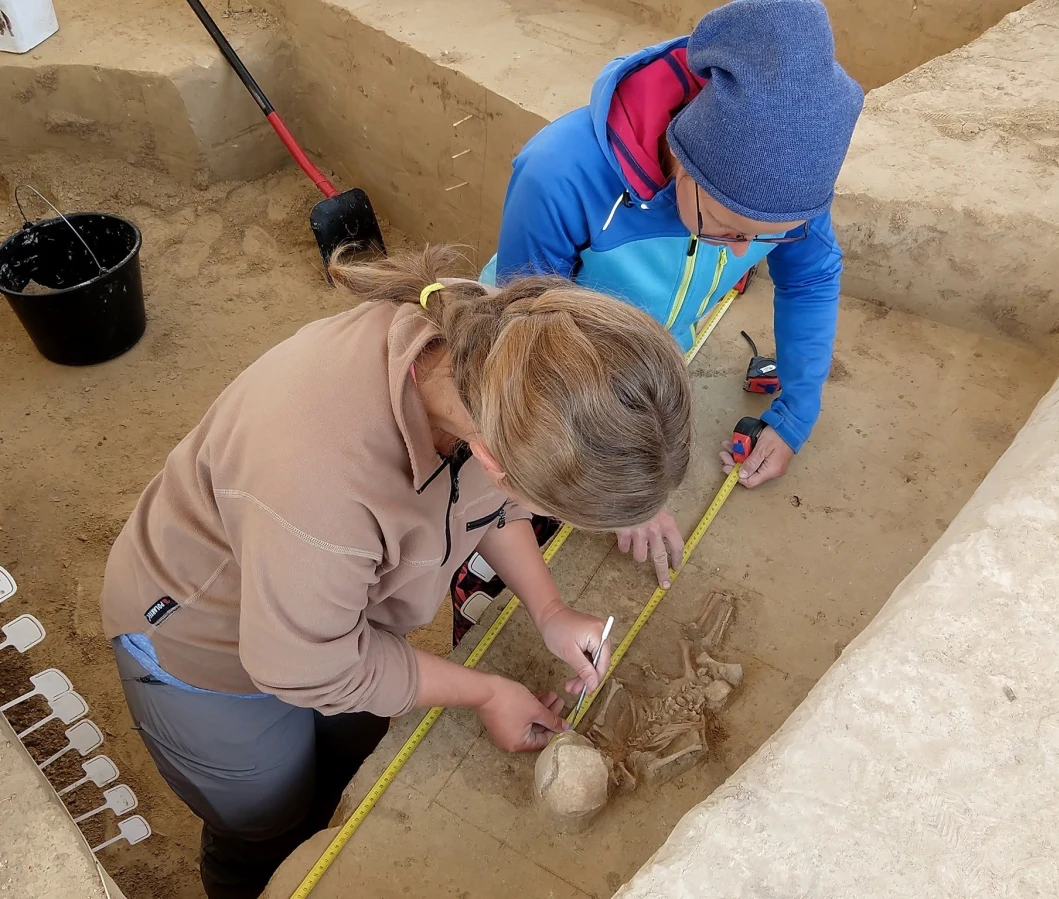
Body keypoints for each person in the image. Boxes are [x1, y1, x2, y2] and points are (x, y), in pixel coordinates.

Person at [100, 245, 691, 899]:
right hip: (201, 647)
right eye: (543, 500)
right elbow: (308, 667)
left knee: (351, 757)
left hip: (334, 608)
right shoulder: (319, 485)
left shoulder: (495, 350)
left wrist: (548, 609)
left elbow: (491, 502)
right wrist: (487, 691)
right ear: (497, 458)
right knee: (267, 816)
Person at [477, 0, 864, 589]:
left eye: (767, 237)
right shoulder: (559, 177)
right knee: (505, 500)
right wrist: (628, 487)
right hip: (526, 342)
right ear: (682, 162)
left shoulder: (790, 181)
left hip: (643, 347)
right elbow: (533, 352)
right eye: (726, 230)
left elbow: (810, 277)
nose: (740, 254)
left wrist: (795, 414)